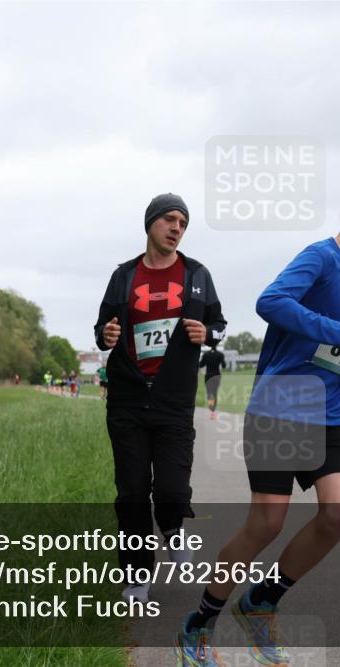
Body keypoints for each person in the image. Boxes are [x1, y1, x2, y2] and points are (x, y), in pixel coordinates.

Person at [175, 173, 340, 666]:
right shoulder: (319, 257)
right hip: (279, 407)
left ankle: (261, 602)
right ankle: (199, 625)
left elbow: (332, 340)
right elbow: (270, 302)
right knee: (265, 524)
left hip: (325, 413)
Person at [94, 193, 227, 604]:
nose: (176, 228)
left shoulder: (197, 274)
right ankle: (137, 577)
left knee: (171, 489)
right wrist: (106, 335)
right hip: (128, 400)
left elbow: (219, 324)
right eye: (169, 219)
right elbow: (101, 328)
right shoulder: (124, 276)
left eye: (182, 223)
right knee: (132, 493)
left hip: (173, 400)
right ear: (150, 222)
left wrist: (208, 334)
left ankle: (172, 527)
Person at [199, 344, 226, 420]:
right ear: (216, 345)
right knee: (215, 393)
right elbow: (224, 366)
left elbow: (201, 365)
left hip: (208, 376)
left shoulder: (206, 354)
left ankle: (212, 410)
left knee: (210, 394)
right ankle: (213, 411)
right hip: (217, 376)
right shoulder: (220, 355)